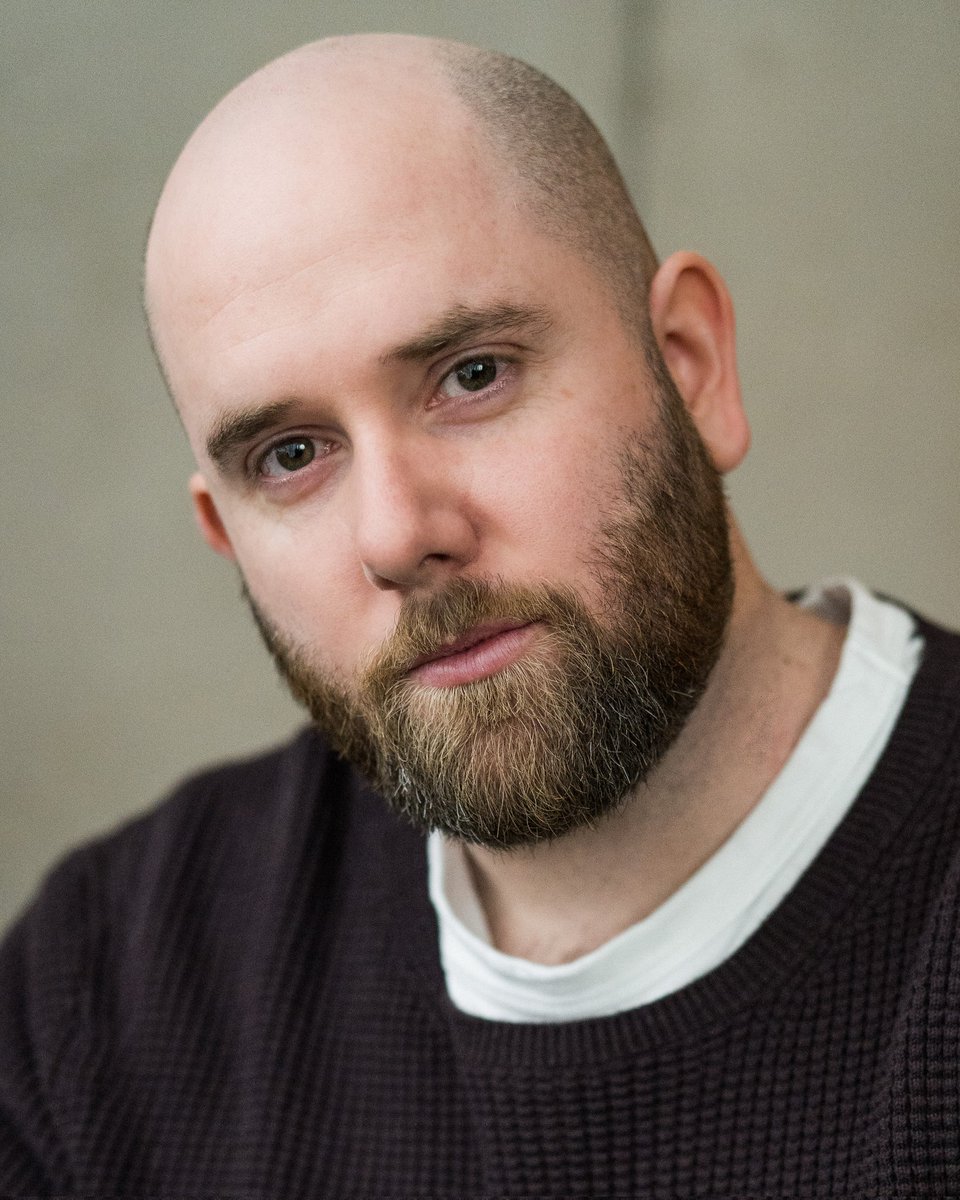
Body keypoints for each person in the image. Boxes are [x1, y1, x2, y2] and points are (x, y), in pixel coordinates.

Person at [1, 33, 958, 1198]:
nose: (398, 534)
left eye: (472, 376)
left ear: (691, 365)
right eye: (292, 455)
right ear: (227, 536)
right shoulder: (109, 994)